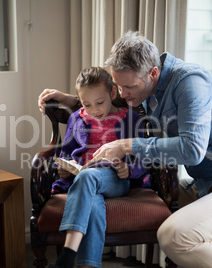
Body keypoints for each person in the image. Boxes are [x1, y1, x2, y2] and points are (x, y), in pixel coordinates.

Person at [39, 31, 212, 268]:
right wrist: (72, 101)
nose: (123, 94)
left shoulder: (191, 81)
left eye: (128, 87)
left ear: (153, 73)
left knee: (173, 236)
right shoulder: (145, 88)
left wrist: (126, 145)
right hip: (204, 185)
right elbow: (111, 102)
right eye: (119, 86)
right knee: (126, 190)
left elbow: (192, 150)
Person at [48, 67, 149, 268]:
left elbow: (144, 158)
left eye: (100, 102)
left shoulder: (131, 120)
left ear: (112, 93)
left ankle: (67, 256)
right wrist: (65, 168)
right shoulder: (76, 118)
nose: (94, 110)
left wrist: (128, 170)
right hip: (83, 178)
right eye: (87, 104)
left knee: (88, 177)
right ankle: (88, 265)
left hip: (115, 179)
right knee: (93, 202)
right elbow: (66, 152)